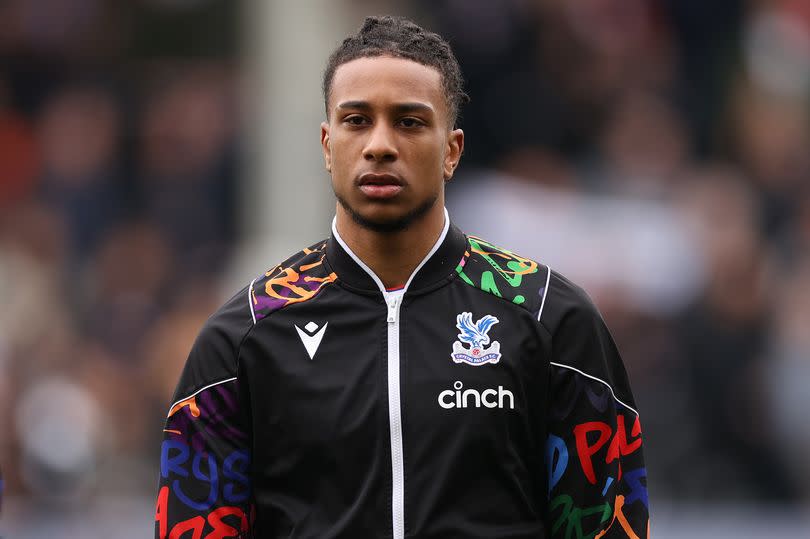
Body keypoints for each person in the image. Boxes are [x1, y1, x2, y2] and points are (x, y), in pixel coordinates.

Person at [155, 15, 649, 539]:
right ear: (327, 145)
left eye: (409, 121)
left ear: (452, 150)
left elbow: (609, 525)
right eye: (357, 120)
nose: (380, 145)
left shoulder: (551, 319)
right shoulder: (242, 340)